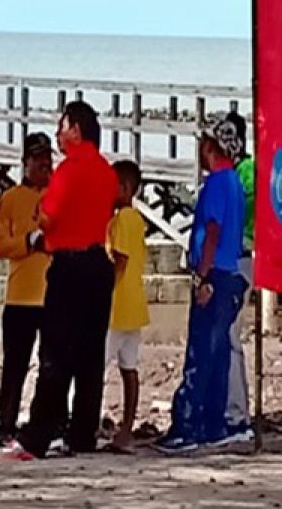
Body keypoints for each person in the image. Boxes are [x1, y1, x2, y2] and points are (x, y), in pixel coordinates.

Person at [0, 101, 117, 462]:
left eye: (62, 126)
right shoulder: (107, 172)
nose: (59, 134)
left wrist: (42, 211)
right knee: (90, 355)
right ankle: (82, 433)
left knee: (55, 355)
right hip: (98, 262)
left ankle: (36, 437)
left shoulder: (69, 170)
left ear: (75, 129)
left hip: (69, 263)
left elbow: (46, 218)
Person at [155, 118, 247, 454]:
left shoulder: (217, 184)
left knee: (200, 352)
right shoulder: (235, 182)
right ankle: (214, 424)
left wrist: (202, 276)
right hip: (230, 272)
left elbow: (212, 231)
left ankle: (188, 426)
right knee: (219, 351)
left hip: (216, 274)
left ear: (210, 148)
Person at [0, 133, 53, 447]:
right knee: (15, 366)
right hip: (20, 297)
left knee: (52, 365)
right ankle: (6, 425)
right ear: (25, 162)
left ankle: (48, 423)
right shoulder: (11, 198)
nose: (45, 165)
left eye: (48, 159)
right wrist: (29, 242)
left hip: (54, 296)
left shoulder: (58, 195)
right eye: (38, 159)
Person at [105, 161, 148, 454]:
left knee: (97, 366)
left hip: (116, 305)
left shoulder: (121, 220)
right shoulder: (138, 220)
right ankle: (127, 427)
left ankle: (85, 421)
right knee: (129, 368)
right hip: (135, 305)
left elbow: (119, 261)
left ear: (124, 188)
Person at [223, 111, 254, 443]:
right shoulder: (239, 172)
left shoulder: (243, 175)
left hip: (240, 259)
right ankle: (231, 409)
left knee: (230, 338)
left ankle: (236, 414)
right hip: (234, 258)